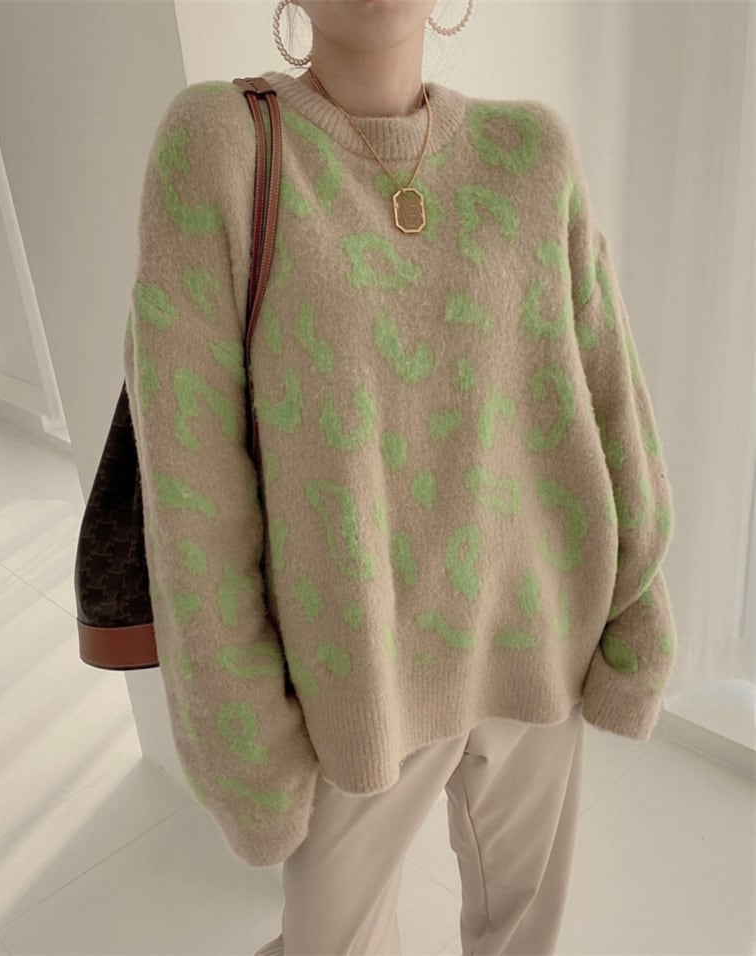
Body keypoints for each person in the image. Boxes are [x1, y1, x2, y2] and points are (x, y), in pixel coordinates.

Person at [122, 0, 679, 952]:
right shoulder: (221, 146)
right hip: (352, 690)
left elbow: (610, 400)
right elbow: (192, 494)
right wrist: (244, 741)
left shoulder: (532, 154)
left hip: (539, 644)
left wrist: (641, 611)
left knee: (524, 937)